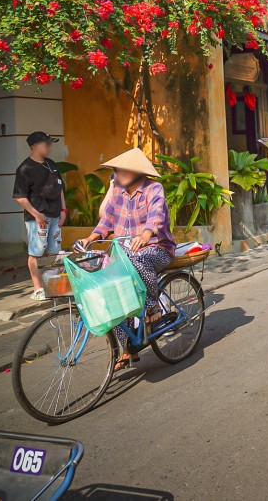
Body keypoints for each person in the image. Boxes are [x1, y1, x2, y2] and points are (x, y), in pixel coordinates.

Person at [78, 148, 176, 371]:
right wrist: (90, 238)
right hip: (125, 254)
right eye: (117, 170)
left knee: (137, 257)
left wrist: (146, 234)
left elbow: (157, 215)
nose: (118, 173)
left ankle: (152, 307)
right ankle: (127, 349)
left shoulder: (154, 189)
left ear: (137, 172)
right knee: (112, 295)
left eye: (124, 169)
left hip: (156, 248)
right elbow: (107, 221)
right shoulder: (118, 195)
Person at [13, 132, 66, 301]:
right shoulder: (25, 168)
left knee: (53, 252)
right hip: (38, 218)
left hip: (55, 215)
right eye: (46, 144)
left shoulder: (51, 164)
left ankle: (53, 285)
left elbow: (60, 188)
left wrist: (63, 210)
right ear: (35, 145)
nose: (49, 147)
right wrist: (36, 214)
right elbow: (19, 197)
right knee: (36, 253)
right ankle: (37, 289)